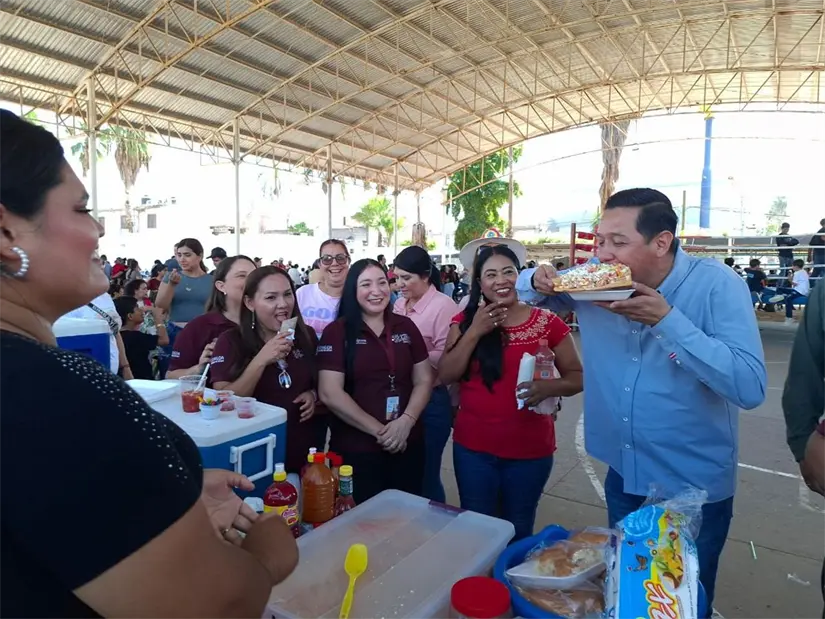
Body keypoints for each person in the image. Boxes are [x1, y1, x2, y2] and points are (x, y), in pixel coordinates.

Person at [0, 109, 297, 618]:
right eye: (80, 208)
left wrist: (161, 493)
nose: (97, 229)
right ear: (6, 236)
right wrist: (269, 555)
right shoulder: (54, 393)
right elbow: (215, 603)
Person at [518, 188, 766, 617]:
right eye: (599, 241)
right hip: (625, 475)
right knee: (629, 593)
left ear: (661, 242)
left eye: (618, 242)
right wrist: (534, 277)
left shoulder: (716, 286)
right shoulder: (592, 281)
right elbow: (530, 292)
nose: (602, 253)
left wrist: (668, 322)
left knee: (683, 601)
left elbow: (749, 386)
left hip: (694, 487)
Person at [439, 245, 583, 540]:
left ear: (519, 276)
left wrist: (549, 388)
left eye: (508, 272)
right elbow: (446, 374)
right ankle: (481, 586)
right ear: (479, 283)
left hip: (530, 451)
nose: (500, 280)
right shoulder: (463, 322)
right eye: (490, 274)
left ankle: (509, 584)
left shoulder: (547, 322)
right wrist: (476, 331)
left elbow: (578, 376)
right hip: (473, 450)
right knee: (476, 529)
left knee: (519, 526)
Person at [317, 259, 433, 504]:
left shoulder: (405, 326)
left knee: (406, 518)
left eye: (382, 282)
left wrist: (406, 422)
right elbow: (330, 393)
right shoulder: (337, 332)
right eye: (366, 284)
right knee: (360, 525)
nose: (376, 290)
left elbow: (424, 379)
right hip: (357, 450)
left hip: (407, 443)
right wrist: (381, 432)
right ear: (353, 290)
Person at [212, 266, 323, 473]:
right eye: (271, 298)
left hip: (302, 451)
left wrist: (313, 394)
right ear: (250, 303)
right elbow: (223, 399)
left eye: (288, 294)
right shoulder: (231, 341)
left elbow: (323, 382)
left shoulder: (305, 335)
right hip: (253, 453)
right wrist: (261, 360)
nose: (283, 304)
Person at [392, 245, 457, 502]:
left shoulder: (443, 306)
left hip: (431, 399)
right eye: (397, 278)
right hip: (401, 395)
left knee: (427, 474)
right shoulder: (399, 304)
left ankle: (435, 527)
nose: (400, 284)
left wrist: (409, 356)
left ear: (425, 276)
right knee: (405, 471)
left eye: (406, 278)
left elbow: (447, 355)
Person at [167, 255, 256, 382]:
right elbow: (170, 375)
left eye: (254, 276)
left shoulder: (267, 321)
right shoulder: (199, 327)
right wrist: (199, 369)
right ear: (221, 286)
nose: (251, 281)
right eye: (242, 275)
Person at [155, 238, 212, 359]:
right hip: (176, 331)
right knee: (172, 371)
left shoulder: (211, 280)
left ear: (199, 256)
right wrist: (171, 285)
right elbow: (160, 306)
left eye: (187, 255)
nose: (182, 259)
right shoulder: (170, 277)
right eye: (179, 255)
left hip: (202, 332)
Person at [297, 239, 350, 338]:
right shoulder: (303, 293)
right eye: (327, 259)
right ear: (320, 264)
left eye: (340, 258)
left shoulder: (358, 296)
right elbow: (287, 331)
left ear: (348, 262)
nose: (334, 263)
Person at [115, 296, 169, 380]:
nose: (142, 310)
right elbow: (164, 340)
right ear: (130, 316)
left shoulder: (117, 336)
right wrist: (158, 318)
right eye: (137, 308)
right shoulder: (135, 337)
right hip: (142, 380)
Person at [773, 258, 811, 323]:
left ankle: (789, 317)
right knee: (781, 289)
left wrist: (789, 279)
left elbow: (794, 284)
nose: (792, 267)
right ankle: (781, 296)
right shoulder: (804, 271)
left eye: (793, 266)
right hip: (802, 290)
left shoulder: (797, 273)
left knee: (788, 299)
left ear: (796, 266)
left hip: (799, 291)